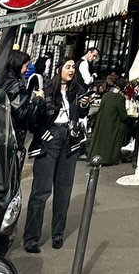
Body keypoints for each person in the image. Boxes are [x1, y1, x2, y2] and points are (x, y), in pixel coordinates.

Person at [23, 57, 91, 253]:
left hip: (69, 140)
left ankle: (58, 234)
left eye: (73, 67)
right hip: (49, 138)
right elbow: (35, 118)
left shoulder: (76, 90)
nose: (71, 71)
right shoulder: (46, 89)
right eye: (68, 67)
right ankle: (32, 237)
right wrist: (46, 133)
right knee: (41, 191)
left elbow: (80, 116)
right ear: (59, 68)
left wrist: (84, 105)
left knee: (64, 190)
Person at [0, 50, 33, 150]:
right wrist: (37, 101)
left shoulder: (0, 79)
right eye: (26, 66)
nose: (27, 69)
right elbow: (21, 112)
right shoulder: (15, 84)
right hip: (10, 133)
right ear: (18, 65)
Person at [88, 80, 127, 165]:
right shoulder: (120, 98)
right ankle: (111, 157)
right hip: (112, 124)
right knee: (123, 127)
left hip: (101, 123)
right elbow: (123, 116)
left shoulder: (105, 95)